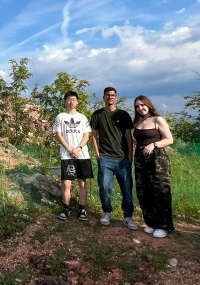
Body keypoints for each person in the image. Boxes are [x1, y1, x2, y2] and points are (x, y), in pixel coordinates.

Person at [90, 87, 137, 229]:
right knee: (105, 187)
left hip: (123, 159)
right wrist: (98, 155)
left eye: (113, 95)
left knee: (127, 189)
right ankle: (107, 212)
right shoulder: (97, 115)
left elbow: (129, 136)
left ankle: (128, 217)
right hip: (105, 158)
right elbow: (93, 136)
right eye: (108, 95)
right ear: (103, 97)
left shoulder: (123, 115)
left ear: (116, 98)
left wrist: (130, 156)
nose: (110, 97)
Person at [132, 95, 175, 238]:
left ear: (148, 105)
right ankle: (152, 223)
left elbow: (169, 139)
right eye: (137, 106)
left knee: (160, 190)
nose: (140, 108)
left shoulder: (158, 119)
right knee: (143, 191)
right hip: (140, 158)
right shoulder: (138, 122)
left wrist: (154, 144)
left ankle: (164, 225)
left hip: (157, 158)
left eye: (142, 105)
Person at [52, 91, 94, 221]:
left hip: (82, 154)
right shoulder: (60, 117)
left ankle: (82, 208)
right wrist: (70, 149)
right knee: (67, 183)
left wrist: (78, 148)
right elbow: (59, 135)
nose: (71, 102)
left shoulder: (82, 118)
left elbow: (87, 135)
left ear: (77, 102)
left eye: (74, 99)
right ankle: (66, 208)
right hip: (67, 155)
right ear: (65, 101)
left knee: (82, 182)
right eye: (69, 99)